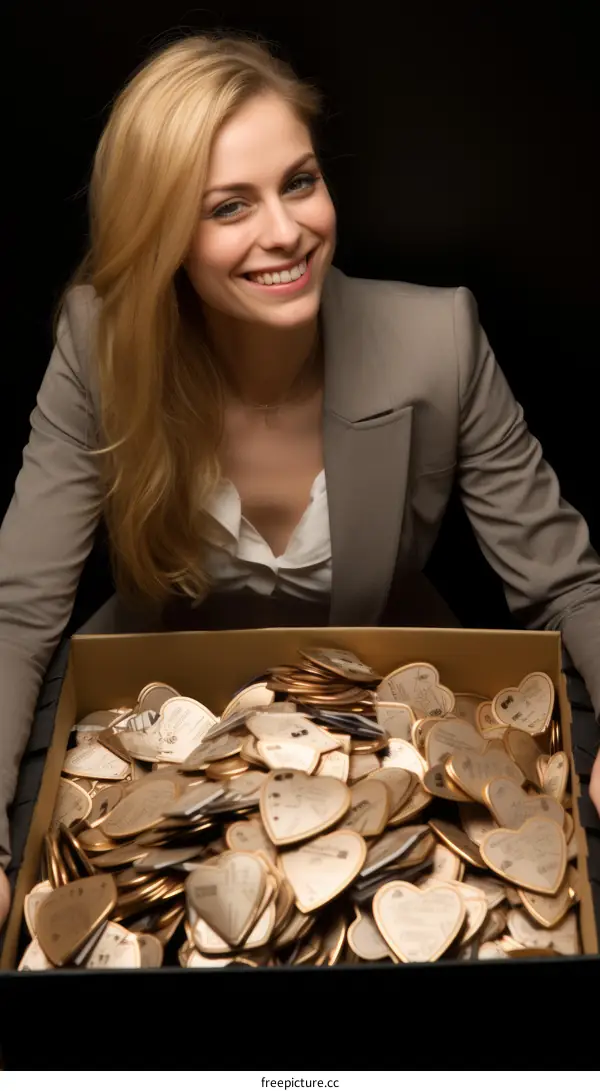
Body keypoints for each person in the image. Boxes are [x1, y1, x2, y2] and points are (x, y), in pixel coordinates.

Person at [0, 30, 599, 932]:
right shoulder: (97, 344)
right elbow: (18, 611)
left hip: (389, 721)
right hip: (149, 729)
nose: (286, 231)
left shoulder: (438, 337)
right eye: (227, 207)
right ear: (159, 232)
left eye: (300, 181)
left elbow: (567, 583)